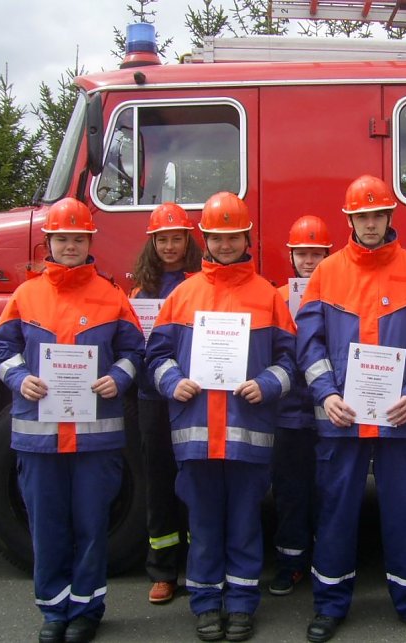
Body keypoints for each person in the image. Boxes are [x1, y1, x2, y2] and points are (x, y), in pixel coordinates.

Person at [296, 174, 406, 642]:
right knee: (336, 511)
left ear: (389, 217)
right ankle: (329, 605)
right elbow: (309, 341)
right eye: (362, 216)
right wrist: (327, 393)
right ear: (350, 219)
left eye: (377, 214)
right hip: (342, 419)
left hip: (400, 418)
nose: (370, 223)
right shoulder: (326, 272)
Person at [0, 197, 145, 643]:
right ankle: (54, 611)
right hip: (40, 440)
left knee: (92, 525)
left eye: (78, 238)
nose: (70, 246)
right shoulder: (26, 295)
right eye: (63, 239)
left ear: (89, 241)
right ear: (48, 243)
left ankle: (88, 610)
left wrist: (118, 377)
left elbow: (136, 351)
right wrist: (20, 378)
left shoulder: (111, 295)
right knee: (48, 526)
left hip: (96, 441)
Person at [145, 192, 296, 642]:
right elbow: (156, 357)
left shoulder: (268, 297)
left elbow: (290, 363)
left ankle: (243, 603)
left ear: (246, 237)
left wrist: (265, 384)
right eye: (217, 237)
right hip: (195, 434)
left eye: (233, 237)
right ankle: (207, 603)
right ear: (205, 239)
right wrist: (173, 382)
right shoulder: (182, 295)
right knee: (204, 524)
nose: (226, 245)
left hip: (248, 433)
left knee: (245, 522)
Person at [130, 202, 202, 604]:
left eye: (176, 238)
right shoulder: (141, 290)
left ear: (188, 241)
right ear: (152, 244)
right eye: (162, 240)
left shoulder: (199, 281)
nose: (170, 246)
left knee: (192, 479)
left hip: (191, 394)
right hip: (152, 397)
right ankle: (163, 569)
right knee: (158, 480)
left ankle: (197, 564)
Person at [269, 215, 332, 597]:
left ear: (328, 255)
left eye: (316, 254)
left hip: (329, 412)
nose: (309, 262)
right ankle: (291, 562)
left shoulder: (338, 294)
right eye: (303, 254)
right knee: (290, 492)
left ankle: (328, 562)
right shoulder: (276, 296)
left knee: (328, 491)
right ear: (291, 256)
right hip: (290, 414)